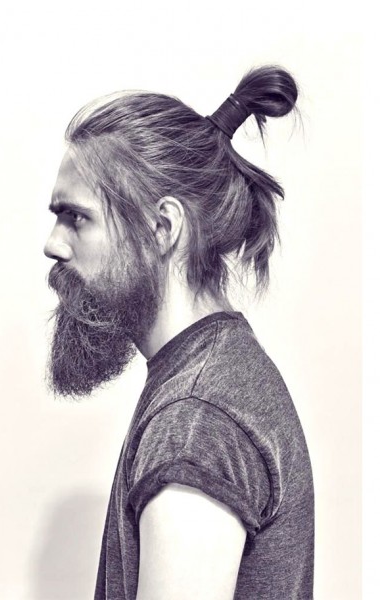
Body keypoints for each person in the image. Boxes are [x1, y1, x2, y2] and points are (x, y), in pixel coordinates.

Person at [44, 65, 314, 599]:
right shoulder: (211, 375)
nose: (53, 244)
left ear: (162, 229)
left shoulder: (196, 421)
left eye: (76, 218)